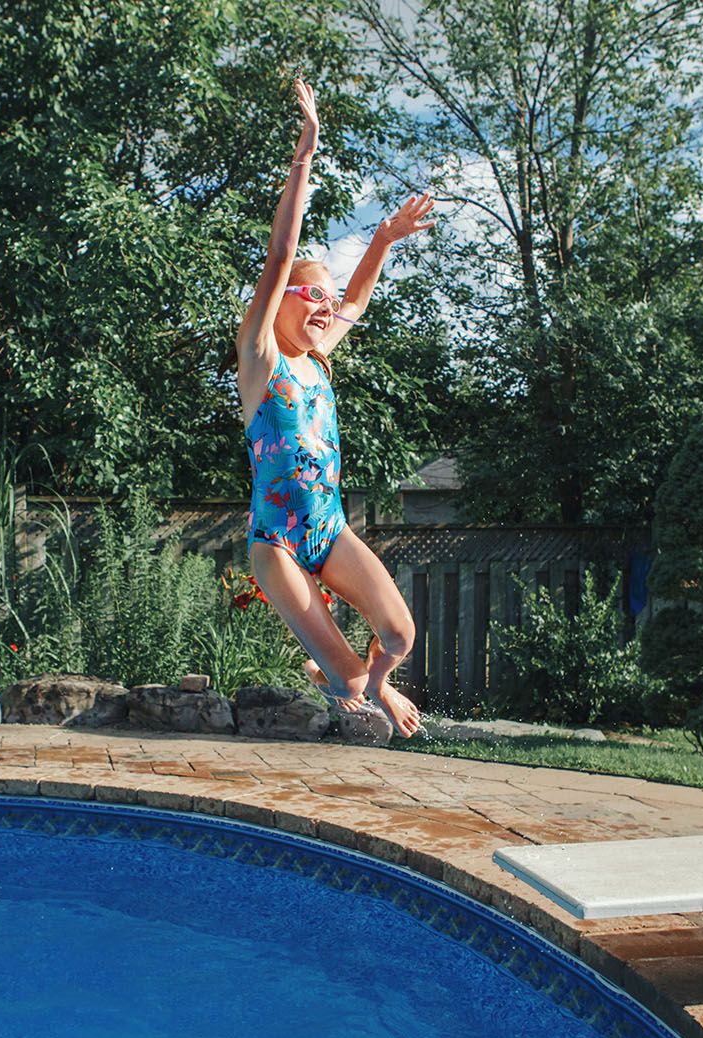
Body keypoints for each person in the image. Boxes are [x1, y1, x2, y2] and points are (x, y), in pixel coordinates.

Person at [234, 77, 435, 738]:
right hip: (279, 547)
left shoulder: (319, 358)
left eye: (327, 300)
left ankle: (368, 681)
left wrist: (382, 239)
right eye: (311, 295)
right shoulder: (263, 359)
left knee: (399, 636)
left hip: (329, 528)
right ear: (283, 300)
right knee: (352, 686)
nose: (325, 307)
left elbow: (357, 301)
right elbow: (280, 254)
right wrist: (305, 153)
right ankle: (350, 681)